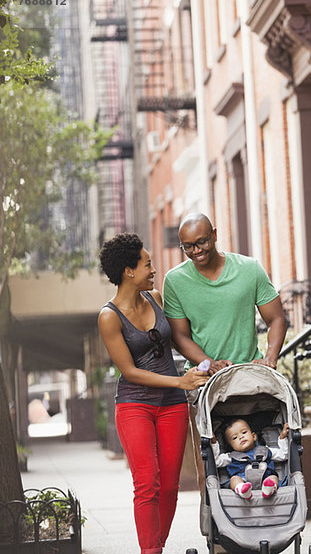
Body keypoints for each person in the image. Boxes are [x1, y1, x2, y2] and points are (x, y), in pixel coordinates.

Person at [98, 232, 209, 554]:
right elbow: (129, 371)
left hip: (172, 406)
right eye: (147, 264)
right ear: (128, 272)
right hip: (135, 405)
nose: (153, 269)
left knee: (171, 486)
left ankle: (155, 546)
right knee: (147, 484)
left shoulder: (156, 298)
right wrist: (179, 382)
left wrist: (208, 363)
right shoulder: (109, 317)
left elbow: (179, 339)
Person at [162, 213, 287, 487]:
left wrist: (270, 358)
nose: (196, 251)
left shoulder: (249, 269)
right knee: (208, 465)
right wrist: (208, 361)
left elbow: (276, 318)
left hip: (250, 382)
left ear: (215, 235)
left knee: (262, 448)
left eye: (202, 242)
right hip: (204, 383)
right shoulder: (175, 281)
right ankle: (215, 527)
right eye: (188, 247)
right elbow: (179, 336)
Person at [211, 419, 289, 500]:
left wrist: (282, 437)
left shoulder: (265, 450)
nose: (241, 437)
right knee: (234, 480)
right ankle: (242, 490)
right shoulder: (230, 456)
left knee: (273, 477)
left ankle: (269, 489)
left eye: (244, 432)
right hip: (243, 480)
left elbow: (284, 454)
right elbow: (216, 461)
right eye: (235, 438)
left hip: (265, 479)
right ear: (231, 446)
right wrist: (213, 443)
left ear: (254, 436)